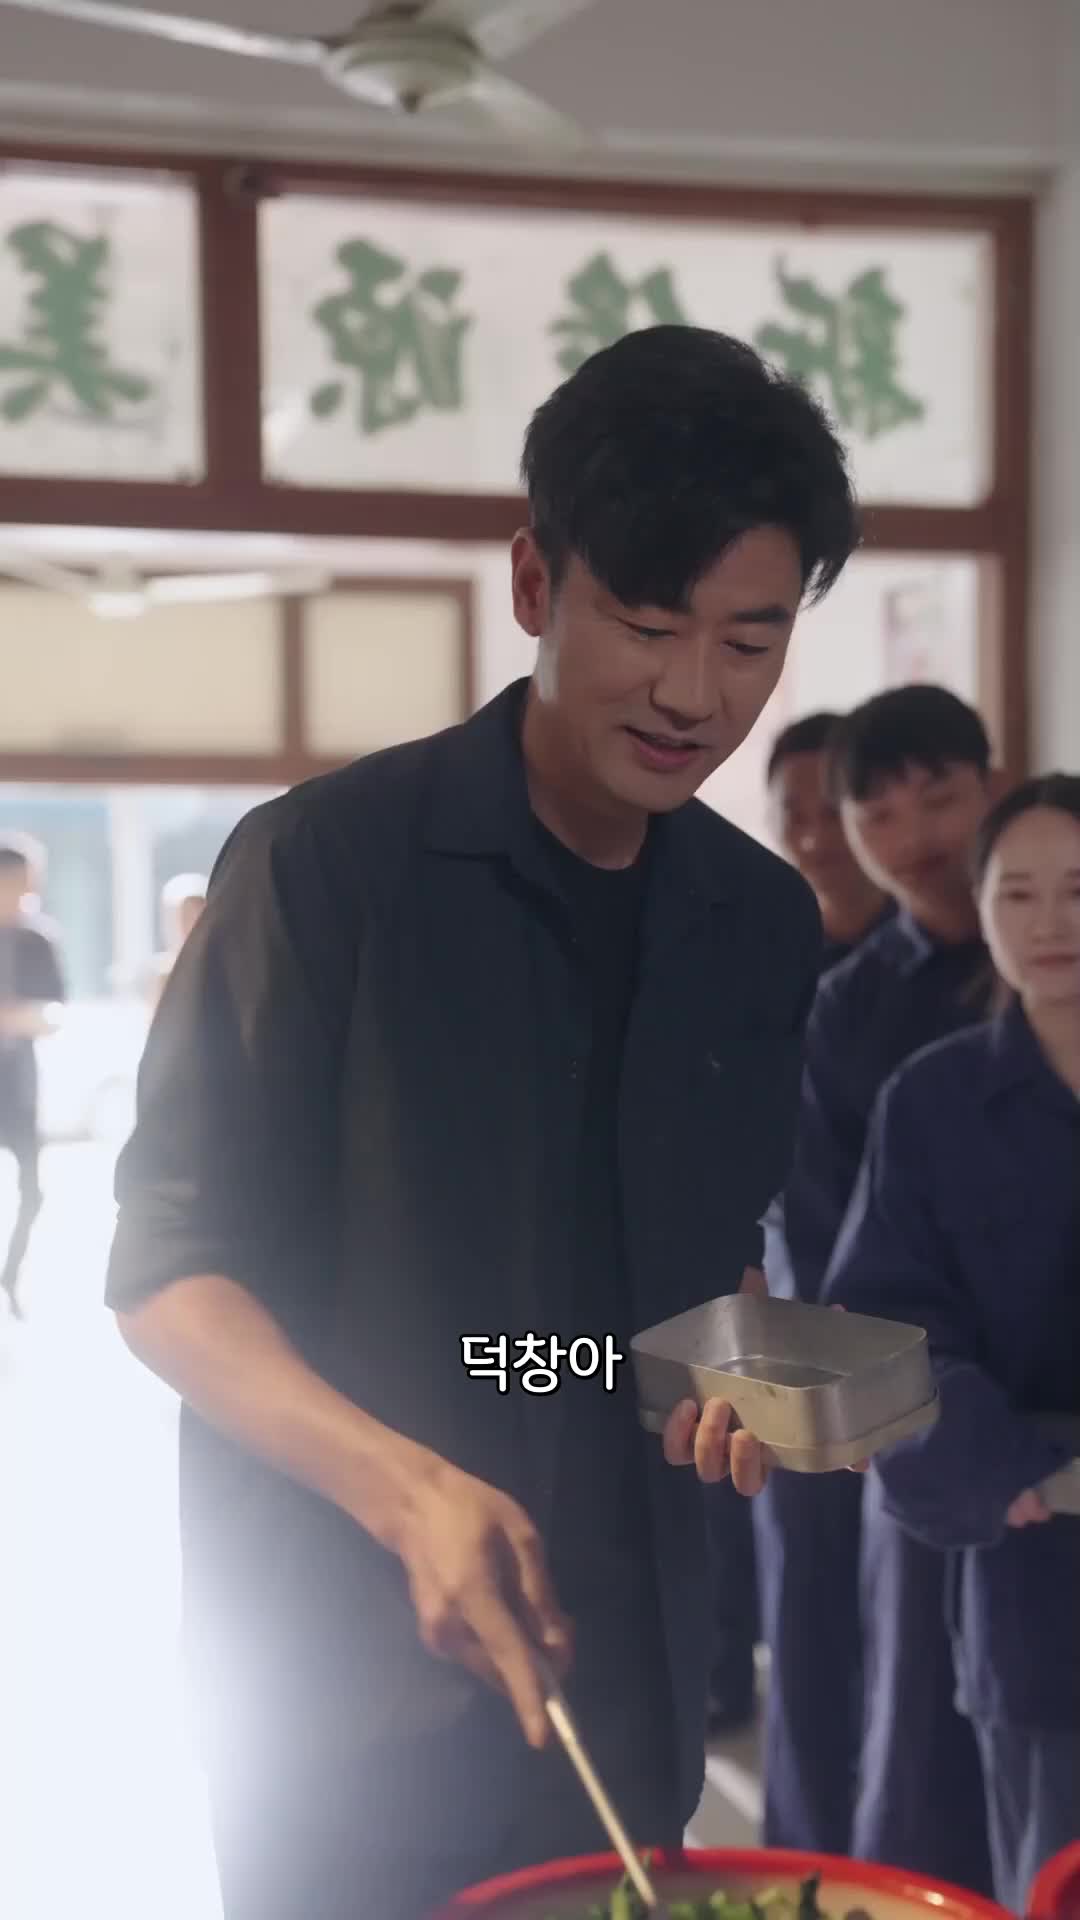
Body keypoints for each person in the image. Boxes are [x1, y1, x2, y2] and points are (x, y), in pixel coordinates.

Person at [104, 324, 859, 1920]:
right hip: (346, 1680)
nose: (695, 694)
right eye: (646, 625)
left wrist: (745, 1369)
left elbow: (703, 1269)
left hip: (631, 1680)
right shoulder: (326, 869)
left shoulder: (758, 923)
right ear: (535, 583)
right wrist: (408, 1490)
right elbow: (169, 1273)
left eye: (749, 641)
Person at [826, 772, 1080, 1913]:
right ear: (979, 910)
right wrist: (1002, 1467)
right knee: (1051, 1864)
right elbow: (879, 1330)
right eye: (1018, 893)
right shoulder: (930, 1102)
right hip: (1033, 1560)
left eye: (1078, 890)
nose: (1051, 922)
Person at [756, 685, 996, 1889]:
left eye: (938, 796)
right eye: (879, 812)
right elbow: (817, 1231)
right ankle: (828, 1883)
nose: (914, 834)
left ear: (991, 786)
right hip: (876, 1387)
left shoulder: (1041, 969)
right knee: (861, 1674)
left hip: (1029, 1385)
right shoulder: (847, 1004)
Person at [705, 712, 890, 1735]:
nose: (818, 835)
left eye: (835, 809)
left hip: (894, 1305)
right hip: (780, 1278)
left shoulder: (931, 966)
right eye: (796, 814)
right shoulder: (761, 949)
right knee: (785, 1552)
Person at [766, 711, 892, 968]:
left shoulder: (936, 925)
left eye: (833, 814)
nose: (815, 840)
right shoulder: (762, 950)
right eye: (795, 818)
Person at [0, 835, 65, 1318]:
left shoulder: (37, 940)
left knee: (32, 1189)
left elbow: (55, 1011)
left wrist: (18, 1017)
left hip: (18, 1081)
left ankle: (10, 1279)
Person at [146, 873, 207, 1011]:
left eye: (198, 914)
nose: (192, 923)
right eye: (186, 915)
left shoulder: (221, 965)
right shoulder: (163, 974)